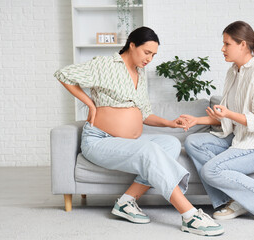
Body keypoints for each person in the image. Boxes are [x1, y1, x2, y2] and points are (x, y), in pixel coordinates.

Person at [54, 27, 224, 236]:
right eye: (146, 52)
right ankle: (189, 215)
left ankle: (126, 202)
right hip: (100, 141)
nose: (150, 59)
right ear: (132, 45)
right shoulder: (105, 64)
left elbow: (144, 114)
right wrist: (90, 104)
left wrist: (172, 124)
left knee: (170, 144)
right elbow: (64, 74)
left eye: (153, 55)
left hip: (125, 142)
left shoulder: (140, 74)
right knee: (149, 151)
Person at [182, 21, 254, 224]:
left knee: (211, 170)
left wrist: (230, 115)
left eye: (227, 44)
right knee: (193, 142)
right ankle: (232, 200)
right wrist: (196, 120)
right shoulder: (233, 72)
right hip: (239, 136)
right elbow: (225, 114)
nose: (222, 49)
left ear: (242, 44)